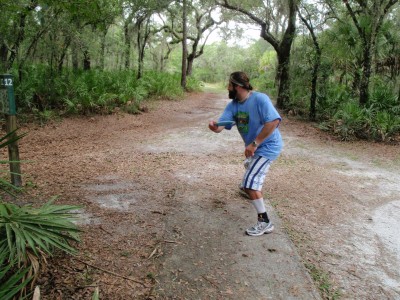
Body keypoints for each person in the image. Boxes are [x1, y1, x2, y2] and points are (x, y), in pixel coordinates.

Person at [208, 71, 283, 237]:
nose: (227, 87)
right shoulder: (233, 105)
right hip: (254, 149)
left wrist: (255, 143)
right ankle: (249, 183)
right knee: (249, 181)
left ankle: (265, 222)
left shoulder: (259, 99)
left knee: (250, 183)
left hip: (268, 146)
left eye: (230, 84)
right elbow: (221, 126)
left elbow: (274, 122)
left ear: (238, 86)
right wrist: (214, 127)